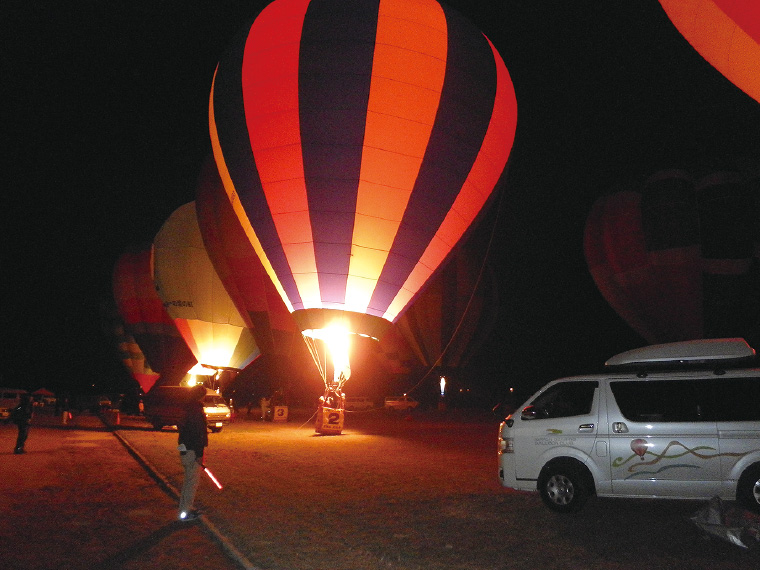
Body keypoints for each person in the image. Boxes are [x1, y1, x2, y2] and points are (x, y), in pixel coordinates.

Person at [176, 385, 208, 521]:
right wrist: (199, 455)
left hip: (186, 449)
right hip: (192, 451)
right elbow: (198, 434)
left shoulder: (186, 409)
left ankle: (184, 509)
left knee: (187, 482)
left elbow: (182, 433)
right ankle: (185, 513)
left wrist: (182, 451)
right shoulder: (196, 411)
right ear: (201, 396)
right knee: (191, 484)